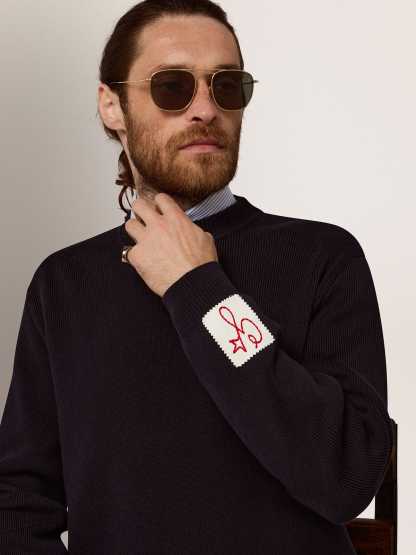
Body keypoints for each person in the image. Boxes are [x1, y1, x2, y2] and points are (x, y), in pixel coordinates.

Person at [0, 1, 393, 553]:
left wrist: (199, 287)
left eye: (226, 86)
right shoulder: (65, 283)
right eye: (172, 87)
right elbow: (18, 501)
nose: (206, 109)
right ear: (112, 105)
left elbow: (347, 475)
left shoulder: (323, 256)